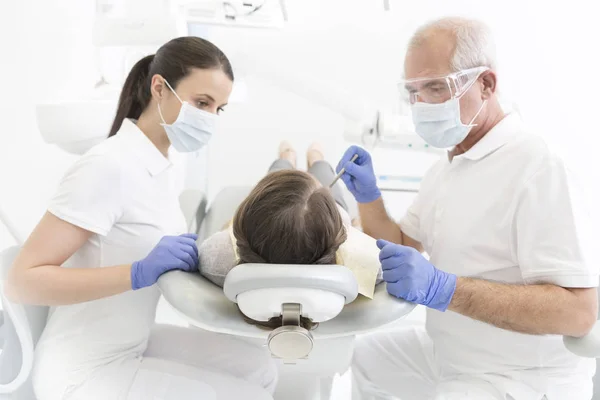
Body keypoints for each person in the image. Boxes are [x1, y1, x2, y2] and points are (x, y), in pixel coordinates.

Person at [336, 17, 598, 399]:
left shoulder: (538, 168)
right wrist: (368, 197)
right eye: (413, 92)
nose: (422, 104)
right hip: (451, 356)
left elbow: (578, 313)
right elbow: (403, 246)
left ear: (486, 85)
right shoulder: (447, 169)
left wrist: (445, 289)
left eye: (436, 87)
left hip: (518, 377)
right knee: (363, 357)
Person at [6, 37, 277, 400]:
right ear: (159, 88)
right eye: (201, 103)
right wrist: (136, 273)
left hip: (132, 342)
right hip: (81, 371)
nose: (210, 118)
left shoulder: (161, 167)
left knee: (259, 366)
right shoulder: (108, 166)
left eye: (219, 109)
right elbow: (22, 283)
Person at [198, 141, 382, 325]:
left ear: (243, 221)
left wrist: (229, 225)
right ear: (340, 235)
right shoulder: (364, 261)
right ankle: (316, 157)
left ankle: (287, 156)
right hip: (336, 220)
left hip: (275, 217)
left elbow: (218, 240)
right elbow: (381, 270)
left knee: (276, 185)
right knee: (321, 176)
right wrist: (356, 229)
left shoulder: (215, 258)